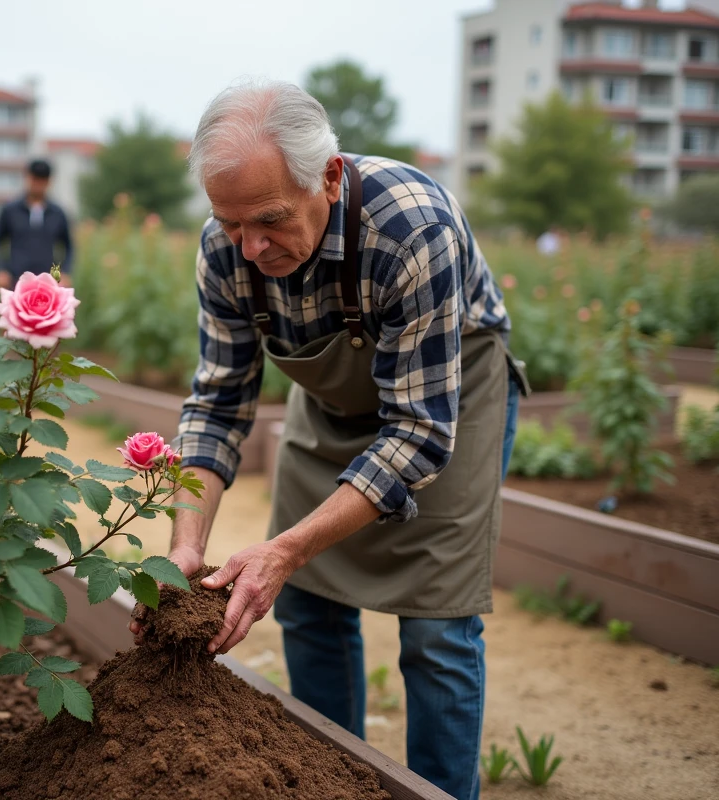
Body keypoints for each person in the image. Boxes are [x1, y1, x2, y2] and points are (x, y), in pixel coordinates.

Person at [129, 80, 528, 800]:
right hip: (334, 398)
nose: (251, 247)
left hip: (443, 397)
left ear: (331, 176)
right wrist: (184, 544)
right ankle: (335, 786)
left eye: (271, 220)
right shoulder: (226, 252)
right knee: (309, 602)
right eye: (231, 223)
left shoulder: (412, 226)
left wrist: (283, 546)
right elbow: (219, 402)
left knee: (436, 631)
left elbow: (417, 431)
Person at [0, 158, 73, 289]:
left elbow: (68, 246)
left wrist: (66, 272)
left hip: (48, 283)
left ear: (49, 182)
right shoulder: (10, 210)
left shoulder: (58, 213)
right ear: (27, 178)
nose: (38, 184)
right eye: (35, 179)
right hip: (15, 281)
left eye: (42, 180)